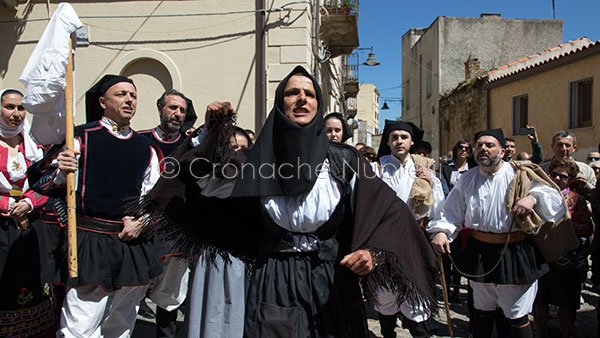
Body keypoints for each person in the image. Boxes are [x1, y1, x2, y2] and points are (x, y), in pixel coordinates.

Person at [137, 66, 439, 337]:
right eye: (293, 92)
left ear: (318, 105)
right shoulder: (256, 162)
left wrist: (372, 252)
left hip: (331, 278)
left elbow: (390, 214)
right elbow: (206, 182)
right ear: (280, 103)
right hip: (273, 278)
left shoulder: (345, 161)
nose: (302, 99)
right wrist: (215, 133)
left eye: (309, 94)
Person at [32, 75, 163, 337]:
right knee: (81, 327)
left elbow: (155, 197)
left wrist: (143, 222)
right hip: (91, 241)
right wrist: (62, 172)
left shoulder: (145, 147)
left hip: (132, 243)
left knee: (121, 325)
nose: (129, 100)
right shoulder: (80, 137)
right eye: (121, 94)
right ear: (103, 102)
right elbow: (39, 181)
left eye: (133, 95)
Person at [429, 128, 566, 338]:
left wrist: (533, 198)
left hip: (515, 252)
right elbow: (451, 212)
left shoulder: (520, 174)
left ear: (502, 151)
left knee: (516, 314)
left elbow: (553, 197)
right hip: (480, 252)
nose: (483, 148)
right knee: (483, 310)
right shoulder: (467, 179)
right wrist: (441, 231)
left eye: (489, 145)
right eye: (479, 145)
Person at [375, 120, 445, 338]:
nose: (399, 141)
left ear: (412, 141)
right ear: (387, 141)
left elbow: (438, 208)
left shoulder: (424, 171)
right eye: (394, 137)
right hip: (385, 241)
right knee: (386, 295)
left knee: (417, 298)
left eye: (404, 137)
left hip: (415, 241)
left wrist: (431, 186)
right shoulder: (376, 169)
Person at [137, 89, 197, 338]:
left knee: (171, 294)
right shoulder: (139, 141)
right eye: (172, 108)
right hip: (143, 226)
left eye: (182, 110)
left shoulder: (193, 146)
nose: (177, 114)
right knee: (132, 289)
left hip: (175, 231)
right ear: (160, 107)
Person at [186, 126, 252, 338]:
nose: (239, 154)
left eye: (244, 148)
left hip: (245, 260)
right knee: (211, 316)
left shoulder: (256, 180)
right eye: (233, 148)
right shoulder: (210, 178)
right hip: (213, 257)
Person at [0, 88, 55, 337]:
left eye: (21, 108)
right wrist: (8, 206)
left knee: (32, 279)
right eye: (9, 107)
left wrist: (28, 203)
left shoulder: (34, 146)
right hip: (1, 226)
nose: (16, 113)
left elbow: (47, 183)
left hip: (31, 226)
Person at [534, 158, 593, 338]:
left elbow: (588, 228)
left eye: (563, 176)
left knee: (566, 302)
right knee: (541, 299)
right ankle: (540, 332)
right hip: (543, 257)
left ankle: (565, 333)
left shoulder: (578, 200)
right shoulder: (537, 196)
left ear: (570, 179)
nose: (558, 179)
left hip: (568, 260)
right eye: (554, 175)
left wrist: (566, 226)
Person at [540, 130, 596, 199]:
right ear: (552, 146)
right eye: (560, 145)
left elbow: (596, 195)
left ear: (574, 148)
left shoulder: (586, 170)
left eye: (567, 145)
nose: (563, 149)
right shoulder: (541, 170)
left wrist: (585, 185)